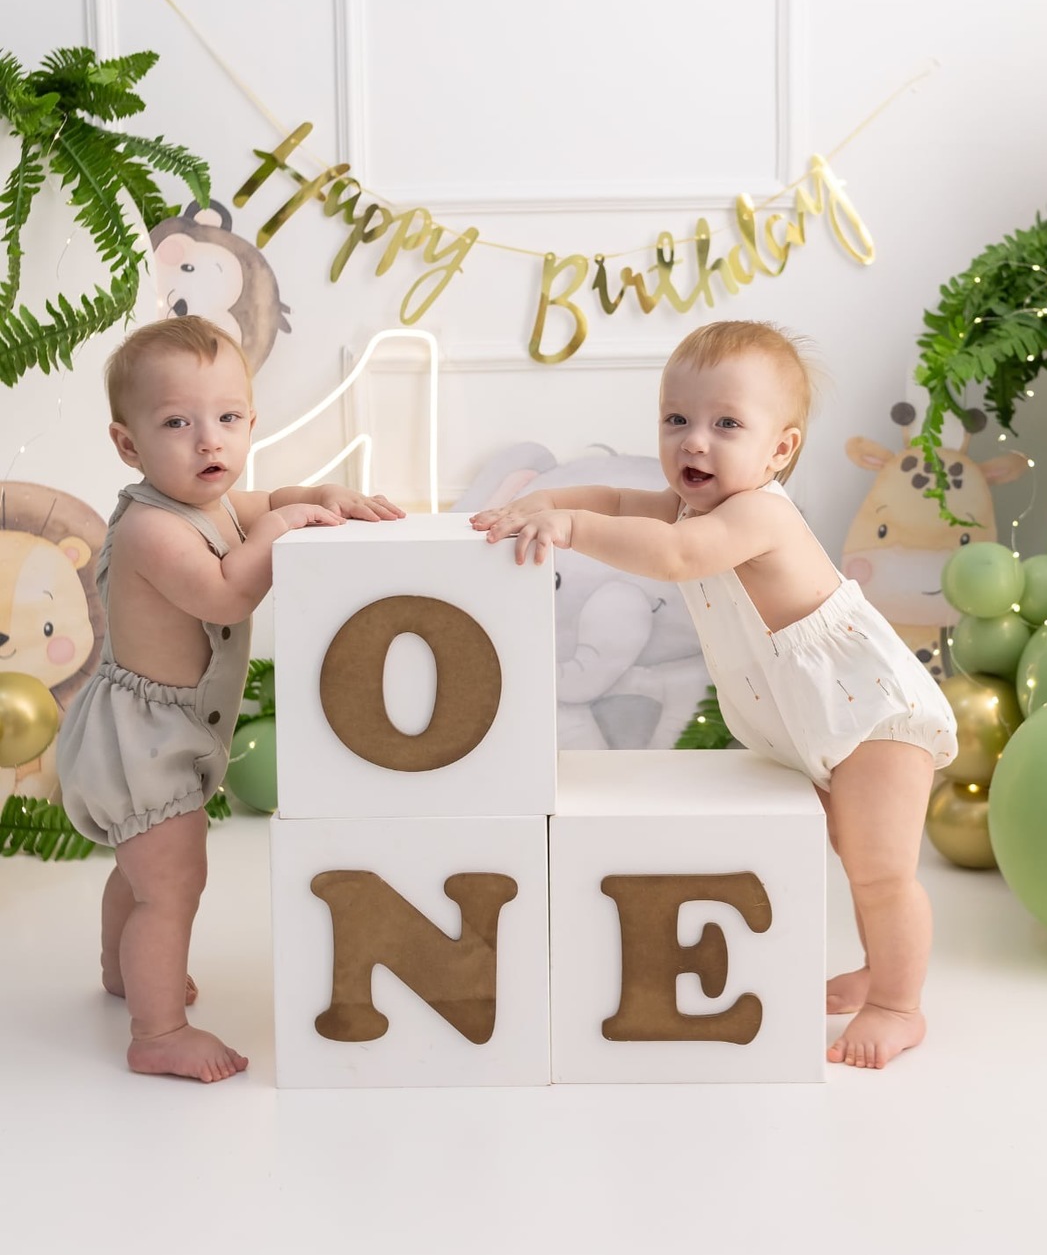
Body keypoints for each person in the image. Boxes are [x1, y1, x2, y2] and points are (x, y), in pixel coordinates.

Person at [472, 319, 957, 1070]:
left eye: (726, 424)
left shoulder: (757, 514)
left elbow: (675, 559)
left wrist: (568, 526)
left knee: (880, 867)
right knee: (848, 848)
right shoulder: (691, 504)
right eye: (677, 420)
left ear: (780, 449)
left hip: (873, 714)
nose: (694, 441)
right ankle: (877, 966)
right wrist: (546, 498)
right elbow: (614, 495)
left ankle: (899, 1004)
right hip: (817, 718)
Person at [57, 316, 404, 1082]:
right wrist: (279, 529)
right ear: (129, 445)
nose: (209, 442)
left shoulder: (210, 502)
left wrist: (311, 495)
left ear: (250, 422)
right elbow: (222, 595)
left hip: (162, 729)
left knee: (139, 871)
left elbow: (262, 501)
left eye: (227, 419)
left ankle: (123, 973)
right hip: (141, 739)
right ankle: (158, 1030)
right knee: (172, 886)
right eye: (177, 423)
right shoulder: (153, 527)